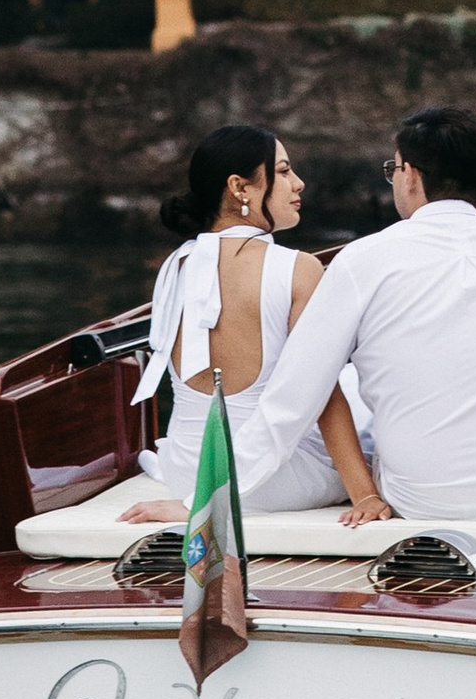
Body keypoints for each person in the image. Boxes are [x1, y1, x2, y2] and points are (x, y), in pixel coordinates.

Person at [233, 105, 476, 528]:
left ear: (409, 175)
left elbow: (294, 394)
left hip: (420, 501)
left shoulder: (362, 259)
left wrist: (214, 496)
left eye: (392, 169)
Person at [125, 124, 369, 518]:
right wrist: (365, 495)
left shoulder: (175, 265)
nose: (299, 184)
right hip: (267, 483)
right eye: (285, 171)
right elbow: (321, 393)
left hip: (187, 471)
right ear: (241, 187)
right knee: (367, 406)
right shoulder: (299, 269)